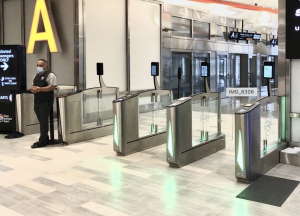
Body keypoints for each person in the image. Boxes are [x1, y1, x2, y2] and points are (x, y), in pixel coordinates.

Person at [30, 59, 57, 148]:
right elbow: (33, 85)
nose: (39, 67)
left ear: (46, 66)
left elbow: (52, 87)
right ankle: (45, 137)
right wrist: (33, 89)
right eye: (37, 65)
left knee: (44, 120)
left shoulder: (50, 75)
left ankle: (42, 141)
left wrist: (40, 89)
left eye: (41, 65)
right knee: (41, 120)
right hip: (37, 100)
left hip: (46, 101)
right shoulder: (36, 76)